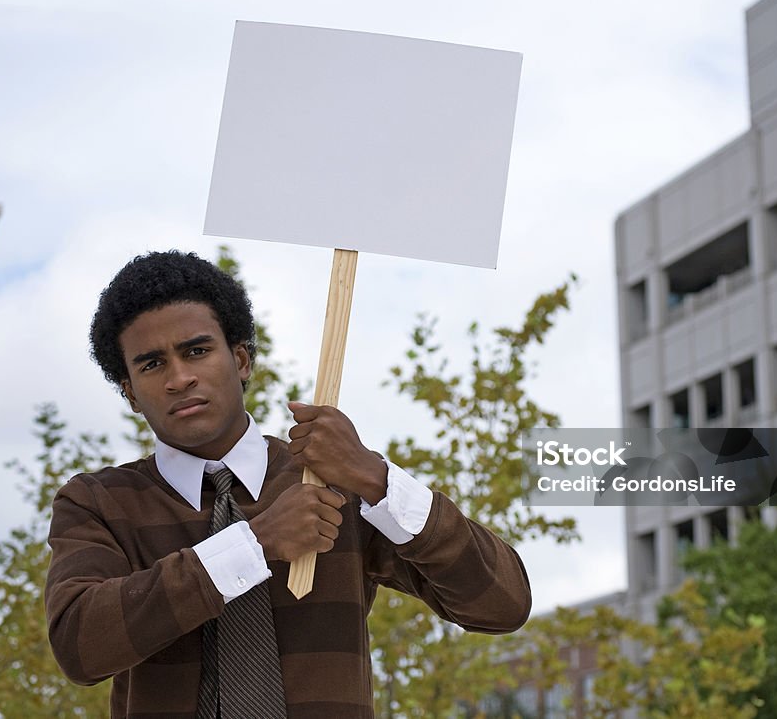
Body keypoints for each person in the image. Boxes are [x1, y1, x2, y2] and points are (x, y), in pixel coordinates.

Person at [45, 250, 532, 718]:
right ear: (129, 391)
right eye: (152, 364)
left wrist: (374, 478)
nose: (180, 377)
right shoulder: (97, 502)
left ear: (240, 360)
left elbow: (501, 604)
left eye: (197, 350)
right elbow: (80, 647)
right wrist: (253, 544)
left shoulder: (336, 482)